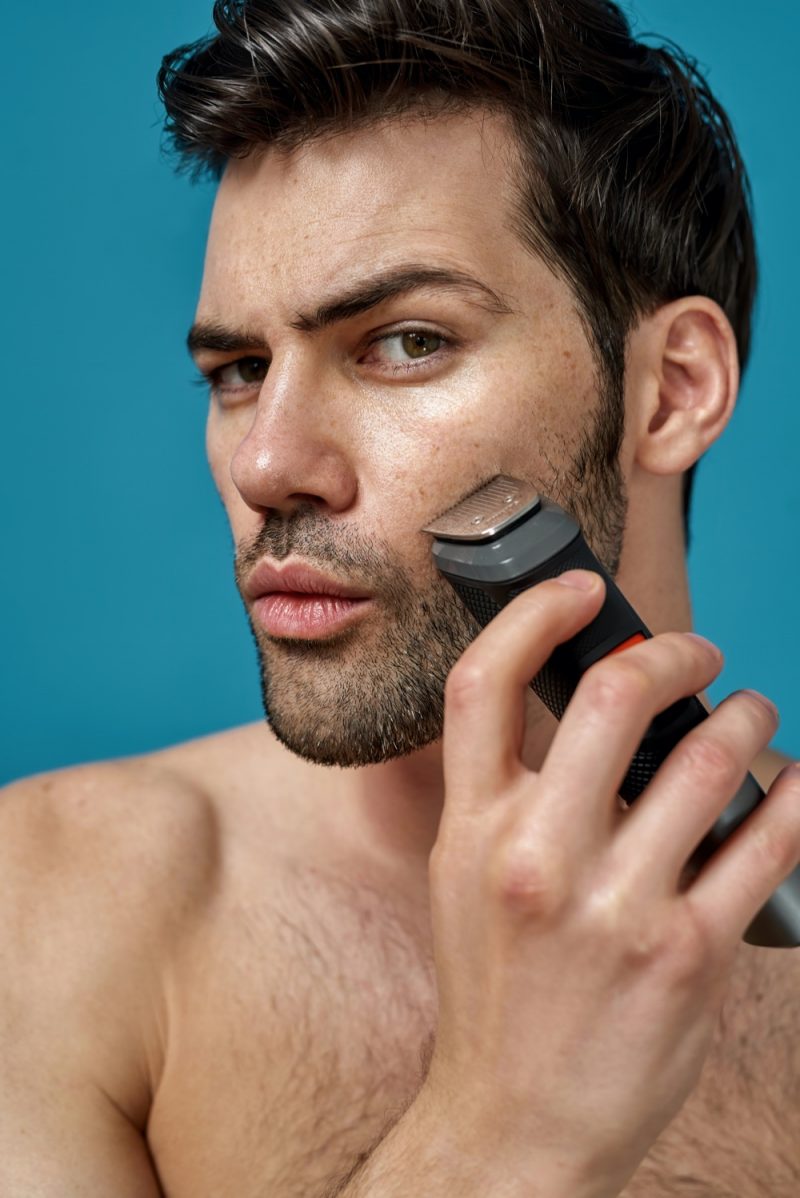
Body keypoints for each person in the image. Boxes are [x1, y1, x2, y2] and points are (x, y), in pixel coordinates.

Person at [1, 1, 798, 1194]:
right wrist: (503, 1133)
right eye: (237, 371)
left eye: (405, 342)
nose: (266, 464)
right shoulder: (44, 908)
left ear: (672, 390)